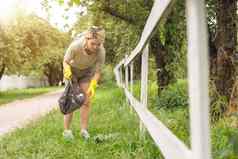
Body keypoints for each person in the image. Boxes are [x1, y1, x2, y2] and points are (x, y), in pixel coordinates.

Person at [62, 26, 106, 140]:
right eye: (93, 44)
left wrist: (93, 84)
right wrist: (67, 70)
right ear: (87, 39)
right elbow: (65, 61)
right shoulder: (75, 46)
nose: (96, 47)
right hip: (72, 71)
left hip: (86, 72)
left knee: (86, 101)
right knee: (71, 101)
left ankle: (84, 130)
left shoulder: (101, 51)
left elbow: (97, 72)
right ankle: (67, 131)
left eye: (99, 44)